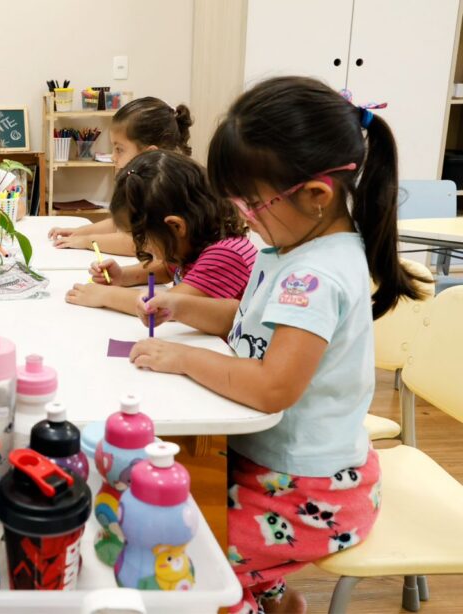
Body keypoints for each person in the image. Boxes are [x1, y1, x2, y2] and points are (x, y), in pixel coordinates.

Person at [130, 76, 425, 614]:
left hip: (309, 493)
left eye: (252, 202)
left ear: (315, 196)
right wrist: (183, 306)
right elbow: (252, 323)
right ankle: (275, 596)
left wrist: (183, 356)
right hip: (283, 469)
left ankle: (253, 594)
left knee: (183, 563)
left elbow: (272, 387)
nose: (243, 215)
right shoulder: (295, 250)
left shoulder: (313, 277)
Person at [66, 150, 255, 316]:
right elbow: (166, 270)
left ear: (176, 226)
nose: (141, 246)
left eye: (143, 237)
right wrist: (123, 276)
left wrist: (106, 296)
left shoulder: (227, 255)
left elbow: (164, 307)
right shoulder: (192, 244)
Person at [48, 97, 193, 255]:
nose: (112, 157)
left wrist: (86, 241)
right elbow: (120, 225)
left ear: (150, 154)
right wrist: (78, 233)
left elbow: (141, 243)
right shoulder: (139, 181)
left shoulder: (163, 189)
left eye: (119, 149)